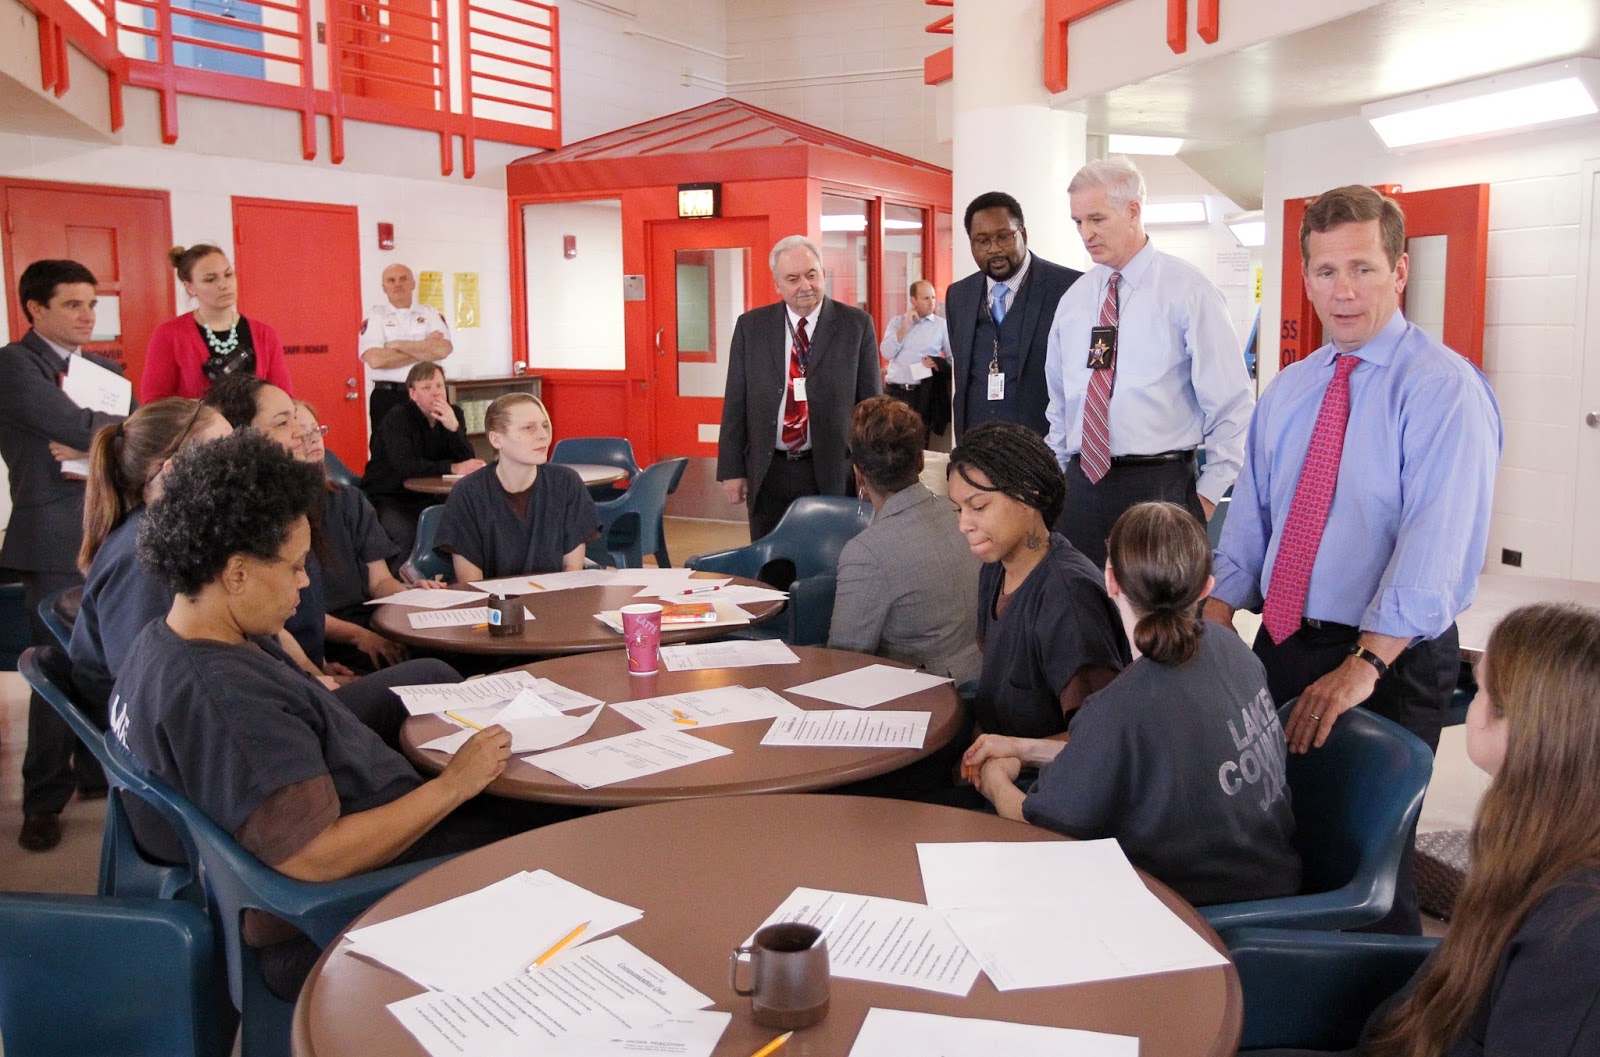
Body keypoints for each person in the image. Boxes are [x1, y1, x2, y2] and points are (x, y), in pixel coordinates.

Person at [111, 430, 525, 999]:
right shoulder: (229, 701)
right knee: (566, 828)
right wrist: (456, 784)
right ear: (235, 572)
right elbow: (315, 857)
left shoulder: (167, 640)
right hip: (346, 900)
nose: (305, 583)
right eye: (293, 567)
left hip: (355, 826)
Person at [1207, 184, 1502, 935]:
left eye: (1363, 269)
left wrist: (1363, 667)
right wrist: (1211, 625)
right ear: (1303, 276)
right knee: (1281, 839)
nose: (1343, 291)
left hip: (1387, 663)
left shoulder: (1442, 390)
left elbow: (1434, 550)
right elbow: (1253, 523)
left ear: (1400, 271)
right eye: (1326, 270)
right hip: (1282, 644)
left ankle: (1389, 1018)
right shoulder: (1289, 390)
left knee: (1370, 861)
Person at [1257, 604, 1600, 1057]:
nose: (1471, 703)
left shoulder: (1576, 928)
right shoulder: (1539, 846)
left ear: (1526, 729)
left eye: (1480, 689)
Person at [962, 501, 1300, 908]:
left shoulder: (1119, 707)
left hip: (1191, 907)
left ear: (1110, 580)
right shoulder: (1234, 649)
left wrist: (996, 781)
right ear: (1207, 587)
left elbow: (1039, 822)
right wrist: (1022, 748)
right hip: (1274, 877)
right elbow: (1127, 752)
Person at [1045, 157, 1254, 569]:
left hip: (1160, 486)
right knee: (1081, 620)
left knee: (1157, 626)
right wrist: (1057, 483)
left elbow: (1232, 407)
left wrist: (1205, 499)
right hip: (1082, 487)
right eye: (1078, 222)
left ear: (1133, 211)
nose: (1086, 233)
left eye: (1097, 219)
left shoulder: (1189, 292)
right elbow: (1060, 408)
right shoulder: (1074, 302)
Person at [0, 259, 132, 851]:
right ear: (35, 308)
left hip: (104, 525)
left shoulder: (98, 368)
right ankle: (42, 800)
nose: (87, 316)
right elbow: (78, 424)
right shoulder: (13, 365)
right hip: (51, 533)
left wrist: (101, 431)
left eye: (92, 305)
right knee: (55, 665)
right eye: (73, 305)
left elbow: (127, 426)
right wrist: (101, 430)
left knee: (99, 656)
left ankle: (93, 771)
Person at [947, 421, 1128, 745]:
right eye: (958, 509)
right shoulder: (995, 569)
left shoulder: (1068, 598)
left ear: (1028, 493)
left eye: (978, 506)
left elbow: (1100, 739)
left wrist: (1013, 754)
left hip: (1040, 783)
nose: (963, 524)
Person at [70, 398, 233, 714]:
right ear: (174, 472)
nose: (240, 462)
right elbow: (146, 688)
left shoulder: (176, 535)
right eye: (224, 451)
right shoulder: (143, 557)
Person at [717, 235, 881, 540]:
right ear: (777, 285)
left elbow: (872, 407)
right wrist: (731, 469)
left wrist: (871, 470)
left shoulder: (855, 325)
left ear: (822, 274)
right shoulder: (751, 327)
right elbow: (735, 402)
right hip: (769, 470)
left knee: (829, 561)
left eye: (811, 274)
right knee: (770, 562)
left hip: (833, 469)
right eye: (793, 278)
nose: (805, 285)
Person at [828, 396, 980, 685]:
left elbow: (844, 661)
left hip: (922, 695)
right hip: (981, 679)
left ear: (858, 473)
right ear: (921, 460)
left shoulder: (865, 552)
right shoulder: (961, 515)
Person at [291, 401, 444, 671]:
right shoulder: (278, 515)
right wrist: (360, 636)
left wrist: (409, 594)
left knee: (443, 651)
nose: (313, 439)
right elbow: (299, 617)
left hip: (370, 617)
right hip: (322, 636)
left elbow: (381, 581)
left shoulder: (347, 500)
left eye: (315, 430)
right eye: (300, 434)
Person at [945, 192, 1081, 439]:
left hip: (1043, 452)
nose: (994, 249)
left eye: (1004, 237)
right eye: (982, 241)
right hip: (977, 451)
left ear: (1023, 234)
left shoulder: (1070, 287)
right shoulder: (959, 296)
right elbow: (963, 381)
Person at [435, 393, 599, 582]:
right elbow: (472, 585)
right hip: (492, 607)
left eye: (545, 426)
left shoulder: (566, 483)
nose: (543, 435)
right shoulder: (467, 493)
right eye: (529, 428)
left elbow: (572, 572)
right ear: (496, 440)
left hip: (553, 602)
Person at [362, 361, 485, 561]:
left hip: (431, 496)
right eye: (426, 388)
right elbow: (407, 466)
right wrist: (451, 467)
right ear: (412, 394)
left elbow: (467, 461)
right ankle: (399, 583)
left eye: (439, 386)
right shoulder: (398, 417)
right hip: (391, 495)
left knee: (465, 524)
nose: (436, 393)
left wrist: (454, 428)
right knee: (407, 532)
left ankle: (449, 577)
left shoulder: (454, 414)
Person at [142, 244, 293, 400]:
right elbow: (154, 402)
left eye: (228, 275)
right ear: (190, 287)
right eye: (210, 279)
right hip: (196, 424)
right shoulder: (169, 334)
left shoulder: (264, 334)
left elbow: (284, 397)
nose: (224, 285)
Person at [359, 264, 452, 437]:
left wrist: (397, 344)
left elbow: (442, 350)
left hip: (428, 395)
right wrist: (425, 345)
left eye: (403, 279)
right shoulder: (375, 316)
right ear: (383, 287)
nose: (397, 284)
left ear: (413, 284)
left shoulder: (430, 313)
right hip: (389, 397)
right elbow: (376, 360)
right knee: (388, 456)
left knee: (432, 449)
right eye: (391, 280)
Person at [878, 279, 952, 446]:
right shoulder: (897, 322)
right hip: (895, 391)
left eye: (933, 297)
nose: (931, 302)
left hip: (922, 393)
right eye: (926, 298)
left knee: (917, 443)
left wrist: (938, 363)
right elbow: (886, 352)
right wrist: (905, 326)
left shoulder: (941, 326)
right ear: (913, 300)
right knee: (891, 442)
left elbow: (953, 360)